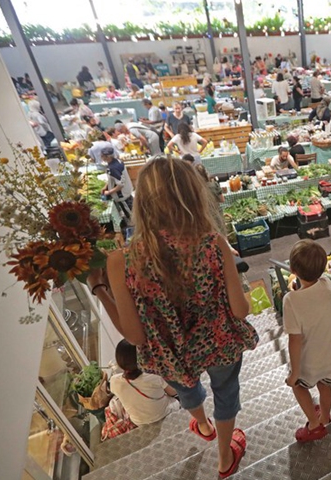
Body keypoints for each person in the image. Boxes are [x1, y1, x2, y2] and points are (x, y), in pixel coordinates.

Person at [87, 156, 255, 477]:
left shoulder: (121, 261)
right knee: (226, 391)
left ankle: (202, 424)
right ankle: (223, 457)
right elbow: (241, 311)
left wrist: (99, 289)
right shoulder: (214, 244)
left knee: (187, 388)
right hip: (219, 343)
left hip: (170, 353)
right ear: (194, 195)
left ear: (143, 203)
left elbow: (135, 337)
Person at [280, 240, 331, 443]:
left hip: (310, 361)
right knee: (325, 386)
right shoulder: (326, 284)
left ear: (292, 269)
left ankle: (314, 425)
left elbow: (295, 341)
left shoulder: (291, 301)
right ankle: (325, 417)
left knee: (299, 386)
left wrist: (294, 373)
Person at [109, 340, 179, 426]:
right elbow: (173, 392)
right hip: (164, 413)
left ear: (119, 362)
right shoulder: (155, 374)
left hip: (138, 422)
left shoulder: (114, 381)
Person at [100, 146, 134, 225]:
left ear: (106, 157)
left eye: (102, 156)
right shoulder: (117, 161)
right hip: (127, 191)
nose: (101, 157)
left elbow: (120, 185)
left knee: (130, 213)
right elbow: (112, 179)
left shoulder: (113, 168)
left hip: (122, 195)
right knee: (131, 208)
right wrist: (106, 186)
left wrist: (109, 192)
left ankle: (134, 226)